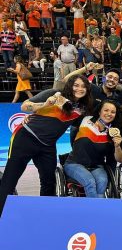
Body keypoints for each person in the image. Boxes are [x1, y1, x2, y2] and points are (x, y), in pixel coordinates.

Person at [0, 75, 93, 216]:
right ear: (70, 85)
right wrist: (44, 105)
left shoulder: (81, 109)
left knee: (49, 182)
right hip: (25, 138)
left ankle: (45, 215)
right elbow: (24, 105)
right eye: (76, 85)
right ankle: (3, 217)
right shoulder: (53, 94)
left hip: (47, 146)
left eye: (83, 86)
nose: (79, 89)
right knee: (10, 179)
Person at [64, 100, 122, 198]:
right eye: (106, 110)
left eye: (113, 112)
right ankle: (94, 211)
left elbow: (119, 159)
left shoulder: (114, 133)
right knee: (90, 182)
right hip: (74, 164)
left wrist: (117, 146)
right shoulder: (85, 120)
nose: (109, 114)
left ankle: (97, 209)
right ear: (99, 111)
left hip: (96, 166)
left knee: (102, 182)